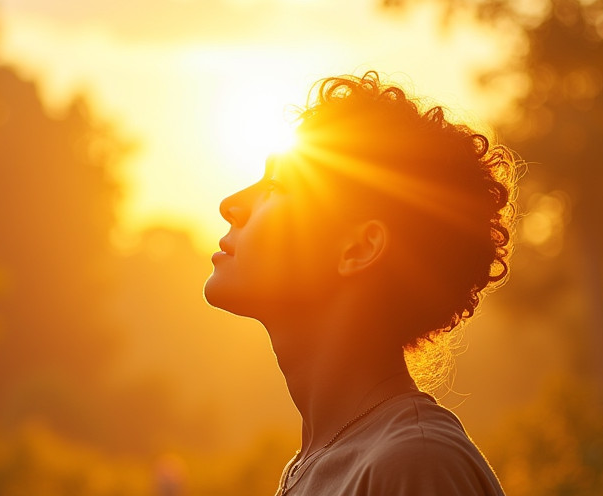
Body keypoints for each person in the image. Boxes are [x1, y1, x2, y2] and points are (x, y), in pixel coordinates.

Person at [204, 72, 517, 495]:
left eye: (277, 185)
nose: (232, 204)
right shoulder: (320, 464)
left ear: (358, 248)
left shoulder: (415, 463)